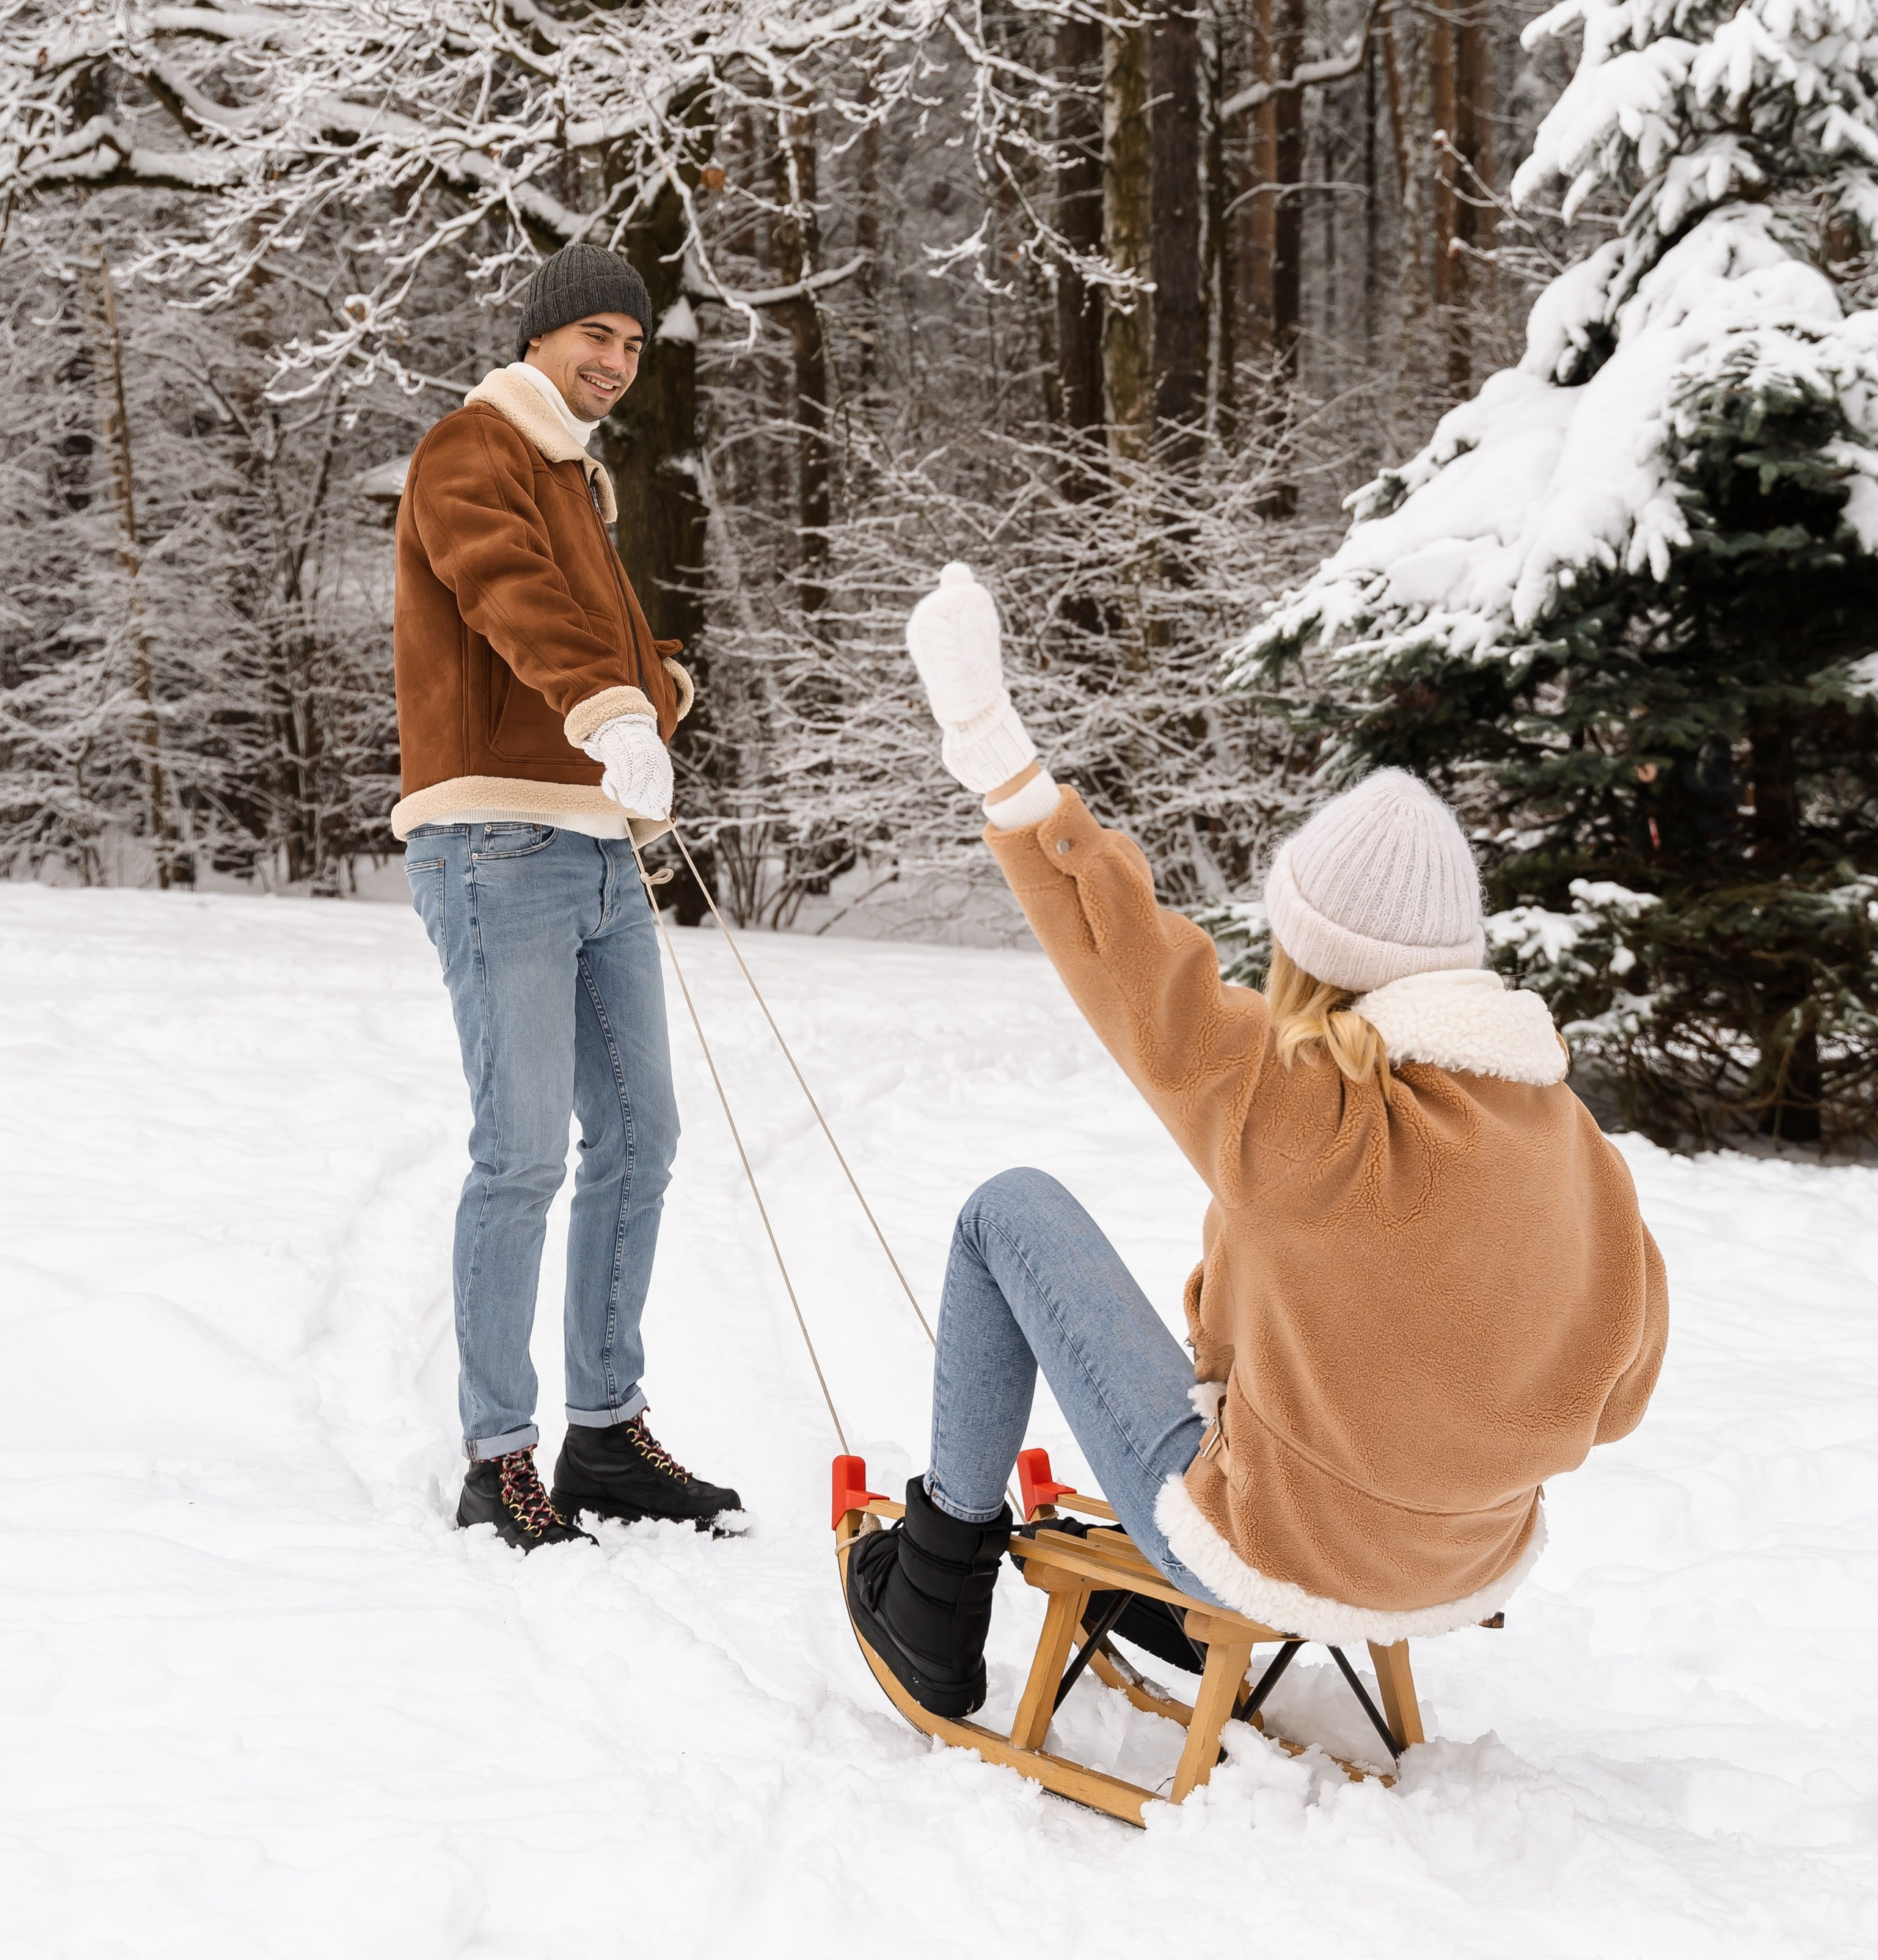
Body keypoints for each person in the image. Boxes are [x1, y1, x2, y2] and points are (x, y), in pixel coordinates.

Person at [845, 563, 1668, 1720]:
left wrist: (999, 757)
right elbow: (1618, 1398)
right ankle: (1183, 1585)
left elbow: (1129, 960)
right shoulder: (1574, 1143)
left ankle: (934, 1587)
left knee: (1007, 1212)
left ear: (1310, 956)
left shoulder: (1313, 1115)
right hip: (1470, 1563)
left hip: (1278, 1544)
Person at [392, 241, 741, 1550]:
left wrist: (657, 692)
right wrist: (612, 706)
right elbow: (509, 590)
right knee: (524, 1153)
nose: (615, 360)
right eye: (595, 333)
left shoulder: (573, 477)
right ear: (539, 336)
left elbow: (599, 636)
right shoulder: (473, 448)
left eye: (634, 343)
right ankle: (499, 1458)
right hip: (496, 846)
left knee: (642, 1139)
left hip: (597, 852)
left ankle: (605, 1432)